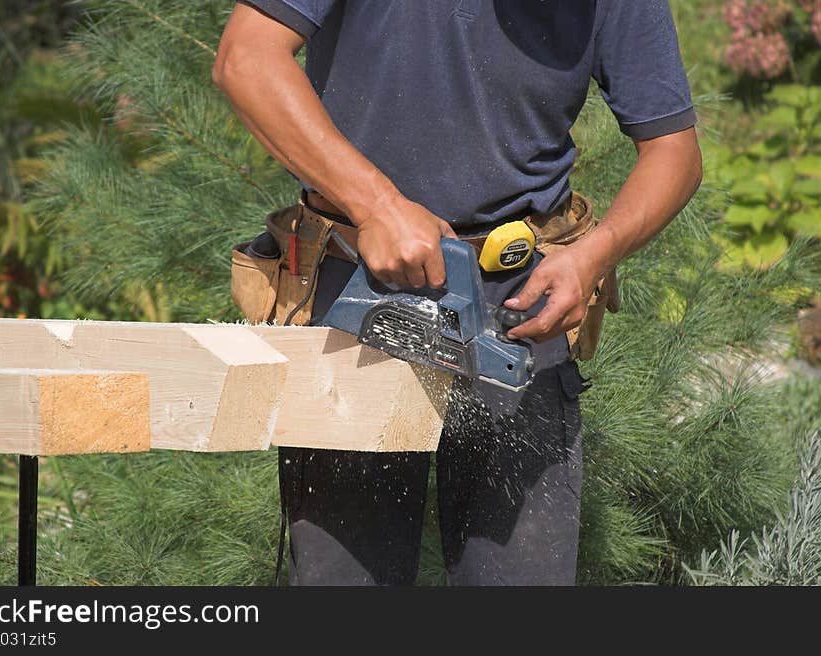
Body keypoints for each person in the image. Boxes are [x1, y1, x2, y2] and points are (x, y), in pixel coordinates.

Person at [213, 0, 703, 585]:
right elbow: (246, 58)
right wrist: (376, 205)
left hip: (523, 310)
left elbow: (675, 150)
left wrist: (593, 256)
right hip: (360, 294)